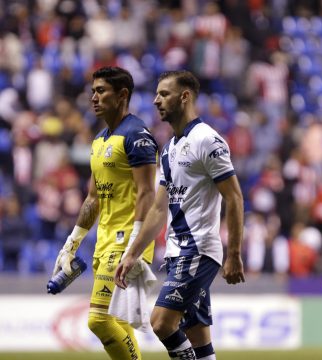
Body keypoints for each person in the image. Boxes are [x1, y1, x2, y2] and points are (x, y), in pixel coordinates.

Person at [115, 70, 245, 359]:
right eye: (157, 94)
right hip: (177, 253)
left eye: (164, 94)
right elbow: (159, 208)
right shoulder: (169, 148)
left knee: (161, 323)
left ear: (184, 97)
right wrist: (132, 253)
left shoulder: (207, 140)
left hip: (197, 249)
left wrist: (234, 253)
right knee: (198, 338)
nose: (155, 100)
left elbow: (234, 196)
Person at [52, 66, 158, 360]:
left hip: (127, 240)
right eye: (93, 92)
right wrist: (71, 245)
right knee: (119, 322)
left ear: (122, 95)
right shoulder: (99, 140)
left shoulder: (137, 135)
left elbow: (148, 192)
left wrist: (135, 244)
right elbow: (92, 198)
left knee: (98, 320)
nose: (93, 98)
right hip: (105, 239)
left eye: (101, 91)